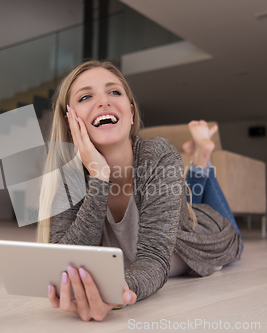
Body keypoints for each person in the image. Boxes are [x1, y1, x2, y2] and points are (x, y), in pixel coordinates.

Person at [36, 60, 243, 322]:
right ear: (69, 122)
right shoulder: (70, 177)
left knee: (230, 234)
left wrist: (115, 292)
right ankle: (199, 160)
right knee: (182, 201)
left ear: (131, 113)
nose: (104, 102)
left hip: (208, 235)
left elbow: (154, 258)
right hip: (175, 210)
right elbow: (63, 261)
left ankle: (202, 159)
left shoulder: (157, 154)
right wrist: (99, 177)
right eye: (86, 96)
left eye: (114, 92)